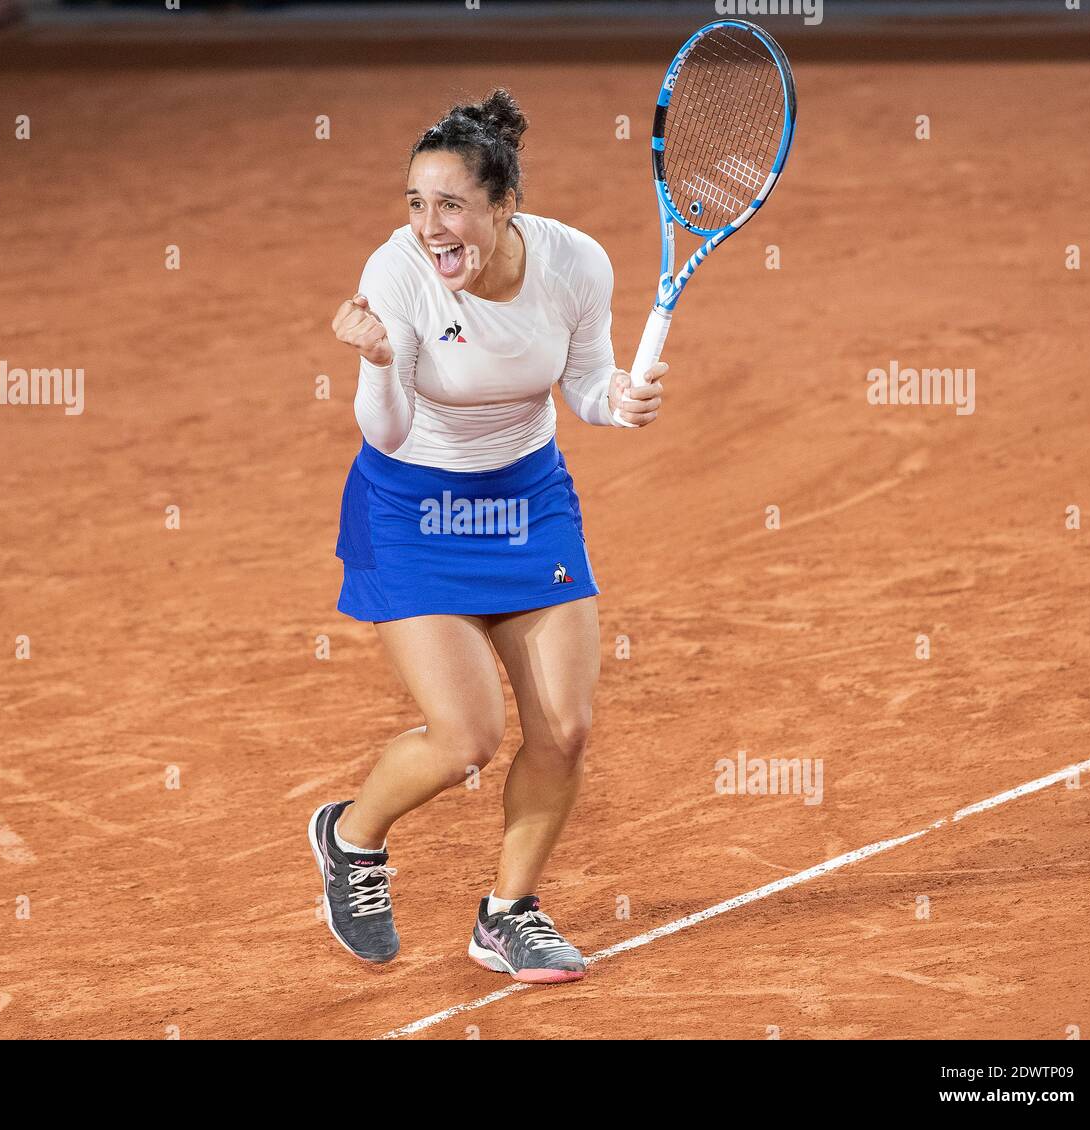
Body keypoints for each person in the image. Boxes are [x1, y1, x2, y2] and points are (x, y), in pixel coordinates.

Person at [309, 88, 667, 984]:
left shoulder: (575, 263)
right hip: (412, 508)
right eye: (417, 204)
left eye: (453, 205)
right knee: (465, 736)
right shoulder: (396, 273)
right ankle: (351, 838)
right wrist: (380, 362)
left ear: (504, 207)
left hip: (526, 501)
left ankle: (507, 915)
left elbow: (582, 384)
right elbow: (385, 433)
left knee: (566, 728)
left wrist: (617, 401)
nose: (432, 228)